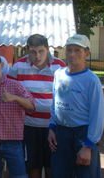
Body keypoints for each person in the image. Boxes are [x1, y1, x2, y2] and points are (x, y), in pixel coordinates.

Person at [7, 34, 66, 178]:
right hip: (28, 127)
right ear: (27, 50)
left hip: (54, 127)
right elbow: (8, 91)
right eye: (32, 52)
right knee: (33, 166)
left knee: (53, 165)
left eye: (41, 51)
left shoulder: (60, 67)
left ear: (48, 49)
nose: (37, 56)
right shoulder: (18, 66)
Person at [48, 34, 104, 178]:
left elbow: (97, 115)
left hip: (83, 134)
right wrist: (52, 128)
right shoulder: (59, 74)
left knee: (86, 175)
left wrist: (88, 145)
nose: (72, 54)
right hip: (61, 133)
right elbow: (55, 103)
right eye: (69, 50)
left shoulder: (92, 80)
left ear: (87, 53)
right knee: (59, 174)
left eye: (77, 50)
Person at [0, 50, 35, 178]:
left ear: (1, 65)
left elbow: (32, 106)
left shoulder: (15, 85)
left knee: (19, 175)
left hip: (14, 143)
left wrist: (15, 98)